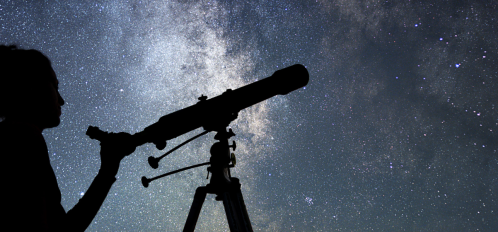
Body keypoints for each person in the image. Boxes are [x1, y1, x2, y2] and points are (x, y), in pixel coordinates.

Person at [0, 45, 136, 231]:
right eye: (55, 87)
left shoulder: (14, 136)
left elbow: (62, 228)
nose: (61, 99)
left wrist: (107, 170)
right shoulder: (24, 137)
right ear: (30, 85)